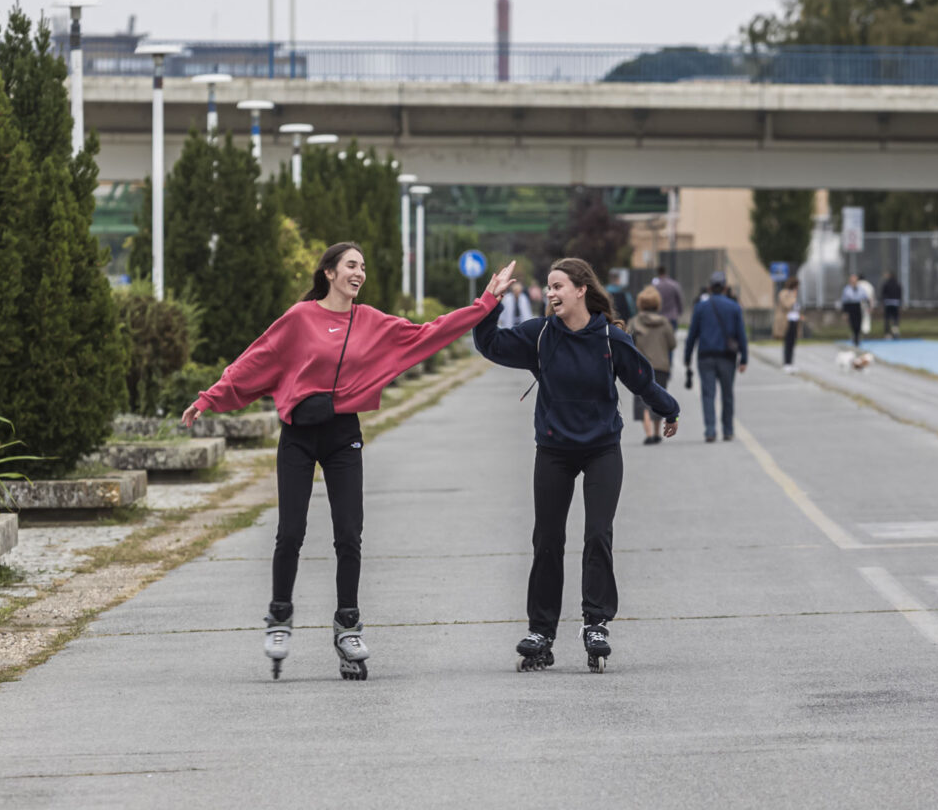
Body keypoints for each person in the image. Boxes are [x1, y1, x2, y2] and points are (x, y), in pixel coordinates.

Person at [182, 242, 516, 681]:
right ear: (329, 273)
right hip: (299, 435)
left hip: (343, 436)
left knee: (349, 534)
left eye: (363, 266)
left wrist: (485, 302)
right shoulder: (300, 319)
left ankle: (348, 624)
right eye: (351, 265)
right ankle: (280, 615)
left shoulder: (372, 321)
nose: (359, 273)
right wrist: (209, 399)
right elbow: (255, 359)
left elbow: (429, 332)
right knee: (291, 531)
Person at [472, 258, 680, 674]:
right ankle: (541, 632)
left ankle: (596, 623)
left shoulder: (609, 337)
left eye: (558, 286)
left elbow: (642, 379)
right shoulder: (540, 334)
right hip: (554, 449)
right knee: (546, 539)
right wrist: (489, 302)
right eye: (548, 287)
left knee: (597, 534)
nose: (551, 294)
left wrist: (669, 410)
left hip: (602, 448)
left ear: (582, 289)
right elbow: (490, 344)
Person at [683, 271, 748, 443]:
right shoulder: (734, 307)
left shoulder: (701, 307)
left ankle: (710, 430)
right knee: (727, 394)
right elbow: (741, 335)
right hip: (727, 357)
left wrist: (687, 356)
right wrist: (744, 358)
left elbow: (692, 334)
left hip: (705, 356)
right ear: (726, 288)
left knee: (708, 394)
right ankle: (728, 430)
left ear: (710, 288)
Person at [627, 287, 677, 444]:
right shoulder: (664, 323)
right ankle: (657, 432)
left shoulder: (634, 322)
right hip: (661, 366)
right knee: (658, 398)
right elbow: (672, 343)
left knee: (642, 399)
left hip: (640, 367)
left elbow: (627, 343)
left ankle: (648, 433)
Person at [774, 277, 801, 373]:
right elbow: (787, 305)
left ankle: (790, 363)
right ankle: (786, 363)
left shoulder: (794, 295)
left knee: (793, 343)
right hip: (786, 321)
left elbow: (796, 307)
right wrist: (793, 297)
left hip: (794, 320)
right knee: (787, 343)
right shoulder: (784, 293)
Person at [841, 273, 866, 348]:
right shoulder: (846, 289)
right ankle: (854, 336)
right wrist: (845, 312)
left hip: (858, 306)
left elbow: (865, 297)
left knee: (859, 322)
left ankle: (857, 336)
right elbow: (844, 301)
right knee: (852, 323)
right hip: (850, 306)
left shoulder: (861, 288)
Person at [881, 272, 903, 338]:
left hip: (887, 303)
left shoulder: (886, 284)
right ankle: (895, 331)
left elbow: (883, 293)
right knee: (895, 318)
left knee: (887, 319)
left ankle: (887, 334)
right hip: (896, 303)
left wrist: (883, 302)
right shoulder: (898, 284)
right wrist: (900, 303)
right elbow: (900, 294)